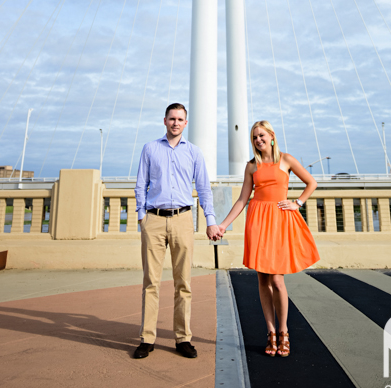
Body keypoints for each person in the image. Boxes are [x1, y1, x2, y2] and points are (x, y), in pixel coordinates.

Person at [218, 120, 319, 358]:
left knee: (277, 280)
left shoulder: (286, 159)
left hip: (279, 221)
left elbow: (311, 183)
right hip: (258, 221)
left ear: (272, 136)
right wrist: (223, 225)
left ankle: (284, 332)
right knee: (262, 279)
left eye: (261, 135)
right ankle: (270, 333)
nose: (258, 140)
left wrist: (297, 203)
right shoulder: (251, 166)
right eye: (254, 137)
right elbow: (243, 199)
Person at [133, 102, 221, 360]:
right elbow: (141, 184)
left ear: (185, 123)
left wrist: (210, 220)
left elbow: (204, 190)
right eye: (171, 118)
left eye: (180, 119)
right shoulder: (150, 149)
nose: (175, 123)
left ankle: (183, 338)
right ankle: (147, 338)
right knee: (151, 282)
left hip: (183, 218)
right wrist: (141, 218)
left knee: (184, 283)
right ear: (164, 121)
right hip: (154, 219)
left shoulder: (194, 153)